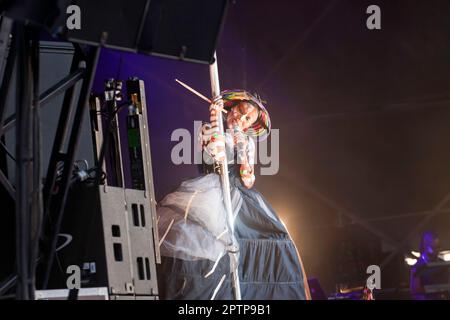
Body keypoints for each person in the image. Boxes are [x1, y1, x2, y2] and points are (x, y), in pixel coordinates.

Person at [156, 90, 310, 299]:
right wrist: (214, 116)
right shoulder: (209, 129)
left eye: (247, 119)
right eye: (241, 111)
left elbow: (248, 179)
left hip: (239, 195)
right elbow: (215, 156)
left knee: (274, 239)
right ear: (232, 108)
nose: (241, 118)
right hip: (210, 192)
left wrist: (241, 145)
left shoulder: (247, 143)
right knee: (197, 243)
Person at [410, 231, 448, 299]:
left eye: (438, 247)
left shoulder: (443, 263)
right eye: (433, 247)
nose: (437, 250)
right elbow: (415, 291)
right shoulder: (418, 266)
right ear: (425, 246)